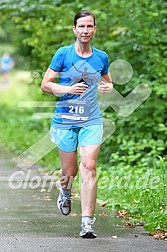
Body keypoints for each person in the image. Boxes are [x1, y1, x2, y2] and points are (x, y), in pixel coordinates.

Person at [41, 10, 113, 238]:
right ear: (74, 29)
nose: (85, 30)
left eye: (89, 26)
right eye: (81, 26)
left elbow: (108, 82)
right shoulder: (63, 54)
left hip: (91, 120)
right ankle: (65, 190)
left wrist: (107, 88)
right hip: (64, 121)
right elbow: (45, 85)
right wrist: (68, 89)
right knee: (69, 171)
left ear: (94, 29)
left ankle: (87, 224)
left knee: (89, 167)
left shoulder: (101, 57)